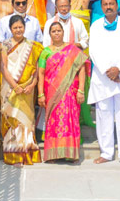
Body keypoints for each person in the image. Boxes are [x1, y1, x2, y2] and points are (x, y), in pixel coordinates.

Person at [88, 0, 120, 166]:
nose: (108, 7)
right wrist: (107, 70)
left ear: (117, 6)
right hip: (103, 78)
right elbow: (93, 51)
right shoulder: (95, 26)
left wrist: (119, 69)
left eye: (111, 4)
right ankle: (106, 152)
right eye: (105, 4)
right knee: (103, 115)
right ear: (102, 7)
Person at [37, 21, 86, 162]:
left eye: (59, 30)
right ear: (50, 34)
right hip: (52, 93)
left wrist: (81, 90)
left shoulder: (72, 50)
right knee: (53, 122)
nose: (57, 33)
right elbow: (40, 73)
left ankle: (70, 153)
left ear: (63, 32)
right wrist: (40, 94)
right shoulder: (45, 52)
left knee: (70, 120)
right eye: (54, 31)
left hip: (70, 92)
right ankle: (53, 154)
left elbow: (82, 68)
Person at [0, 14, 42, 166]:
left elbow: (37, 69)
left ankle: (27, 151)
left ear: (25, 28)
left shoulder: (33, 46)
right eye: (15, 27)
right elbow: (3, 67)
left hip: (27, 89)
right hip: (10, 88)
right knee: (12, 119)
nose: (18, 30)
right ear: (10, 29)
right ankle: (14, 154)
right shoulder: (4, 45)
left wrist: (32, 84)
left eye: (21, 27)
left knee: (26, 120)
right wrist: (14, 86)